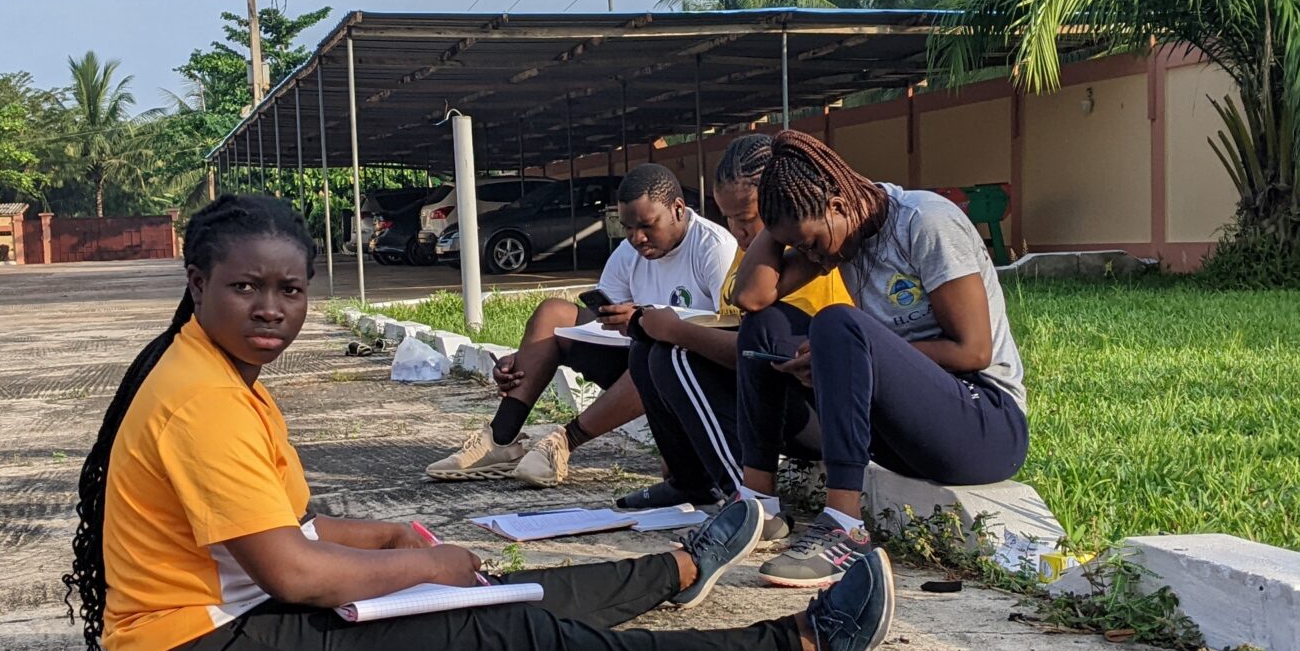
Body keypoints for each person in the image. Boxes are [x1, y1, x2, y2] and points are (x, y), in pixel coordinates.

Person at [62, 192, 896, 651]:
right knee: (511, 642)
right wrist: (423, 562)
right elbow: (295, 574)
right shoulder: (201, 397)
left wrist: (388, 539)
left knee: (499, 591)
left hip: (230, 622)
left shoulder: (216, 371)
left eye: (290, 290)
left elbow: (290, 524)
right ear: (199, 280)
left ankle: (675, 571)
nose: (273, 309)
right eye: (249, 288)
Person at [729, 130, 1030, 589]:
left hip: (984, 423)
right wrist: (775, 219)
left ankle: (844, 529)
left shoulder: (924, 223)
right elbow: (751, 297)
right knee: (763, 327)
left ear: (837, 203)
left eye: (811, 242)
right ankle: (759, 504)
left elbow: (974, 350)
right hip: (902, 428)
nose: (813, 256)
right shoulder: (839, 235)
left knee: (836, 323)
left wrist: (853, 354)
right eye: (801, 247)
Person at [425, 163, 734, 489]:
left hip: (690, 370)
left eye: (647, 225)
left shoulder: (713, 249)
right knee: (553, 314)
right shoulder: (632, 250)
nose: (637, 238)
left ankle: (562, 443)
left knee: (653, 348)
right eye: (627, 227)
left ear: (678, 209)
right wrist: (525, 357)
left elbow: (728, 336)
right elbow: (607, 315)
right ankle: (499, 441)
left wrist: (651, 326)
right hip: (637, 358)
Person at [622, 134, 851, 518]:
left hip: (817, 410)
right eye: (726, 216)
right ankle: (688, 480)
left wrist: (679, 331)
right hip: (770, 407)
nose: (737, 229)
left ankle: (748, 501)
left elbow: (764, 354)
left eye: (747, 217)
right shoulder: (746, 254)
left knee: (675, 355)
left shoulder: (803, 255)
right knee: (647, 349)